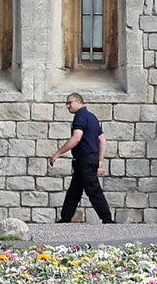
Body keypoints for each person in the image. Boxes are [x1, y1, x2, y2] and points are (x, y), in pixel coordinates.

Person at [49, 93, 115, 224]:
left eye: (70, 103)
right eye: (66, 103)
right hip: (88, 159)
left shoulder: (80, 117)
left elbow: (77, 138)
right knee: (75, 190)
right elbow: (102, 140)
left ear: (79, 102)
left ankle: (107, 219)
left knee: (93, 189)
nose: (67, 106)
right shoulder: (92, 117)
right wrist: (100, 160)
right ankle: (65, 218)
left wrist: (57, 153)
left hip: (84, 159)